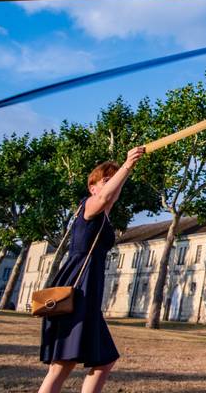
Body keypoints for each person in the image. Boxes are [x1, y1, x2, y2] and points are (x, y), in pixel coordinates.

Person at [39, 146, 145, 393]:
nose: (111, 185)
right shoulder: (88, 205)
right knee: (62, 364)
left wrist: (126, 172)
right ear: (93, 187)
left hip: (89, 292)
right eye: (105, 181)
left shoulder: (104, 217)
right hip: (78, 287)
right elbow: (105, 197)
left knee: (104, 359)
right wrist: (127, 165)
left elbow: (111, 195)